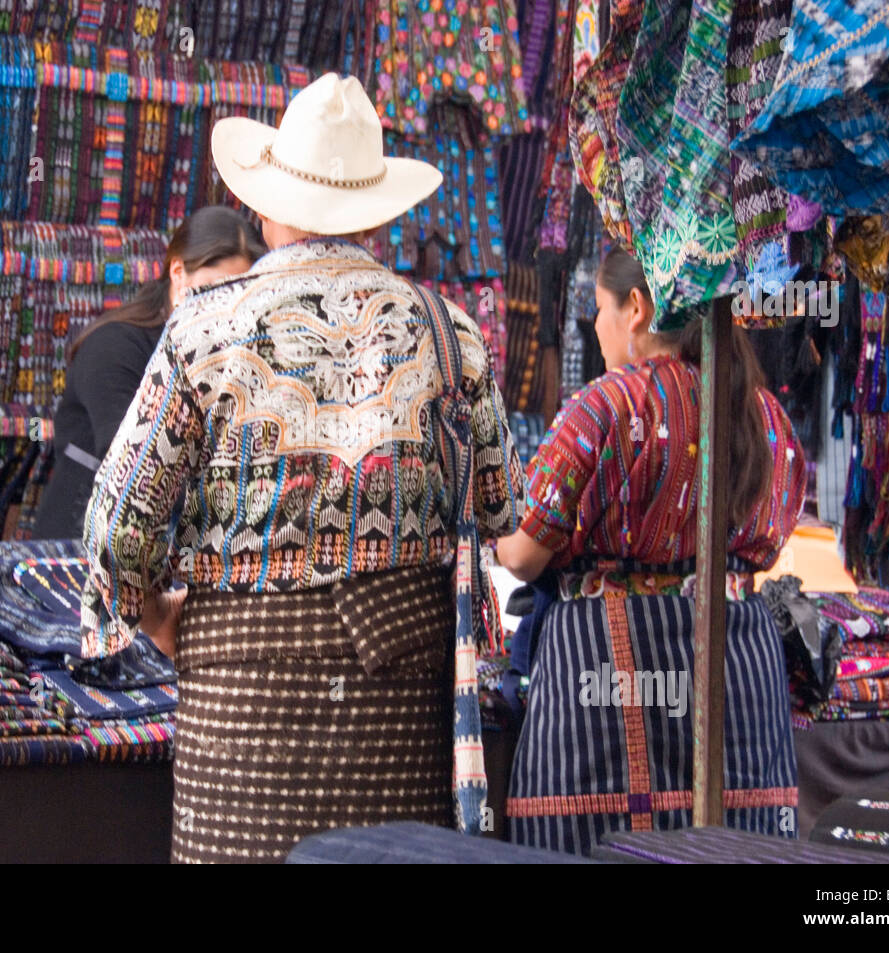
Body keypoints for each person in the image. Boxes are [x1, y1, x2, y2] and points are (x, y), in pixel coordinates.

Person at [79, 72, 525, 863]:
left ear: (265, 205)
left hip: (241, 704)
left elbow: (119, 528)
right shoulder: (451, 333)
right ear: (377, 213)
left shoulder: (202, 329)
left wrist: (159, 621)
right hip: (399, 705)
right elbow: (499, 506)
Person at [496, 246, 806, 856]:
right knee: (733, 847)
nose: (597, 329)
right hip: (734, 664)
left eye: (599, 312)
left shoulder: (605, 406)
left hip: (607, 673)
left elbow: (523, 554)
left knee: (599, 843)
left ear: (635, 308)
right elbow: (774, 537)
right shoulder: (762, 411)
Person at [32, 206, 265, 540]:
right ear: (178, 272)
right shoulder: (114, 347)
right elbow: (131, 468)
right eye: (215, 291)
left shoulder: (228, 354)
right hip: (82, 546)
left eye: (240, 298)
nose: (225, 310)